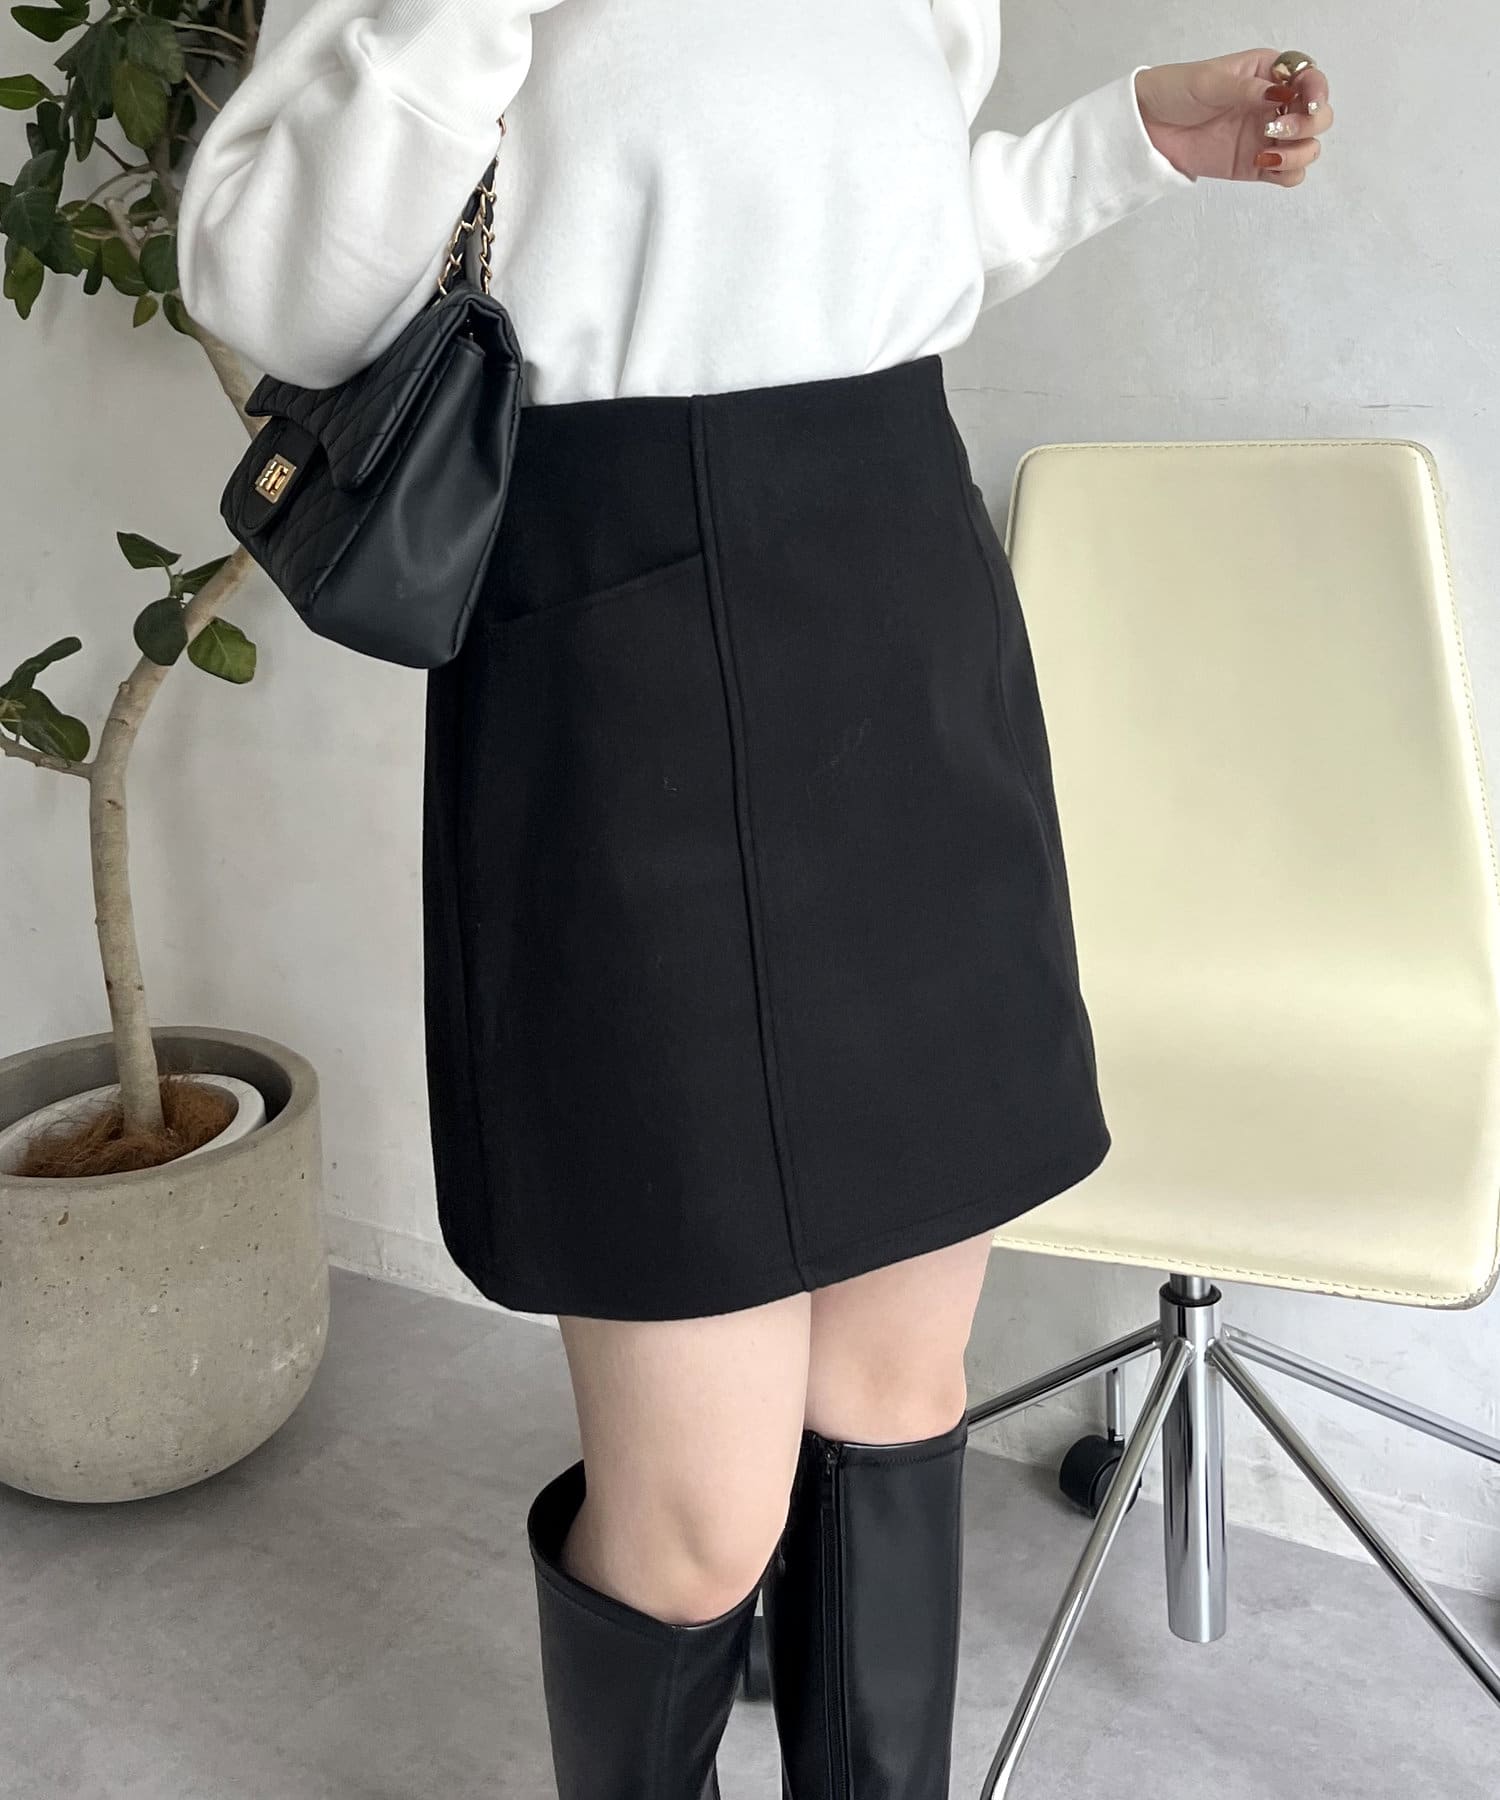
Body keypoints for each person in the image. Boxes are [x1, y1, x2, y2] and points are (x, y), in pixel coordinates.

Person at [178, 8, 1334, 1795]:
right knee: (701, 1516)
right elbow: (280, 294)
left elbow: (863, 249)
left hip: (905, 626)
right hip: (621, 665)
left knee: (894, 1398)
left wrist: (1124, 145)